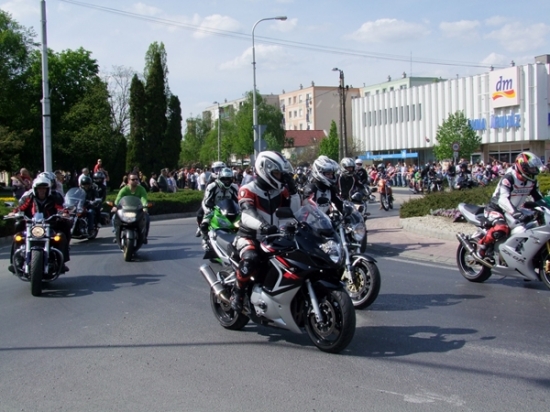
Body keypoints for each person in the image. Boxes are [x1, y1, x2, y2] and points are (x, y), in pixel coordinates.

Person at [230, 151, 300, 312]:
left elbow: (295, 212)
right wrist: (263, 226)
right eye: (277, 173)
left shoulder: (282, 191)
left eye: (282, 174)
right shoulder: (247, 189)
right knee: (251, 259)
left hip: (276, 237)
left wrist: (294, 191)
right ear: (265, 170)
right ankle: (237, 293)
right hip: (250, 236)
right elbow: (247, 213)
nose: (281, 177)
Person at [475, 151, 544, 261]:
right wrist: (515, 213)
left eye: (534, 168)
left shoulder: (532, 181)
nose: (534, 170)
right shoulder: (509, 178)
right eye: (531, 168)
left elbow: (539, 198)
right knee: (502, 228)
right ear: (522, 166)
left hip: (514, 209)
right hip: (497, 208)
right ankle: (482, 247)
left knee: (534, 226)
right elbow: (503, 199)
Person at [8, 176, 71, 274]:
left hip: (49, 225)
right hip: (32, 225)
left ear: (48, 189)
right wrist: (14, 212)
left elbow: (60, 208)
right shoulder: (29, 198)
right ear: (35, 189)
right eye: (39, 188)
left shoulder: (54, 198)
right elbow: (21, 207)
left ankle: (61, 263)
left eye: (44, 188)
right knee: (18, 236)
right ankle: (16, 262)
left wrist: (64, 213)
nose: (42, 190)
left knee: (61, 236)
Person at [196, 168, 239, 241]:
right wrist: (210, 210)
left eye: (229, 179)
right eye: (224, 179)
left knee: (242, 225)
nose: (227, 181)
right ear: (220, 178)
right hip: (213, 209)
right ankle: (205, 237)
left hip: (228, 210)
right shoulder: (212, 186)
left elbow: (238, 201)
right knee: (204, 224)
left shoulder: (234, 187)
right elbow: (207, 201)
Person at [112, 171, 150, 244]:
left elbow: (144, 199)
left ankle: (144, 236)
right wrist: (115, 206)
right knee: (114, 218)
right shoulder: (124, 189)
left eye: (136, 179)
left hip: (137, 210)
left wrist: (145, 207)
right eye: (133, 179)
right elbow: (118, 199)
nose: (135, 181)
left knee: (147, 218)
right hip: (125, 210)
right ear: (128, 180)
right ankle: (116, 233)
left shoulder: (141, 189)